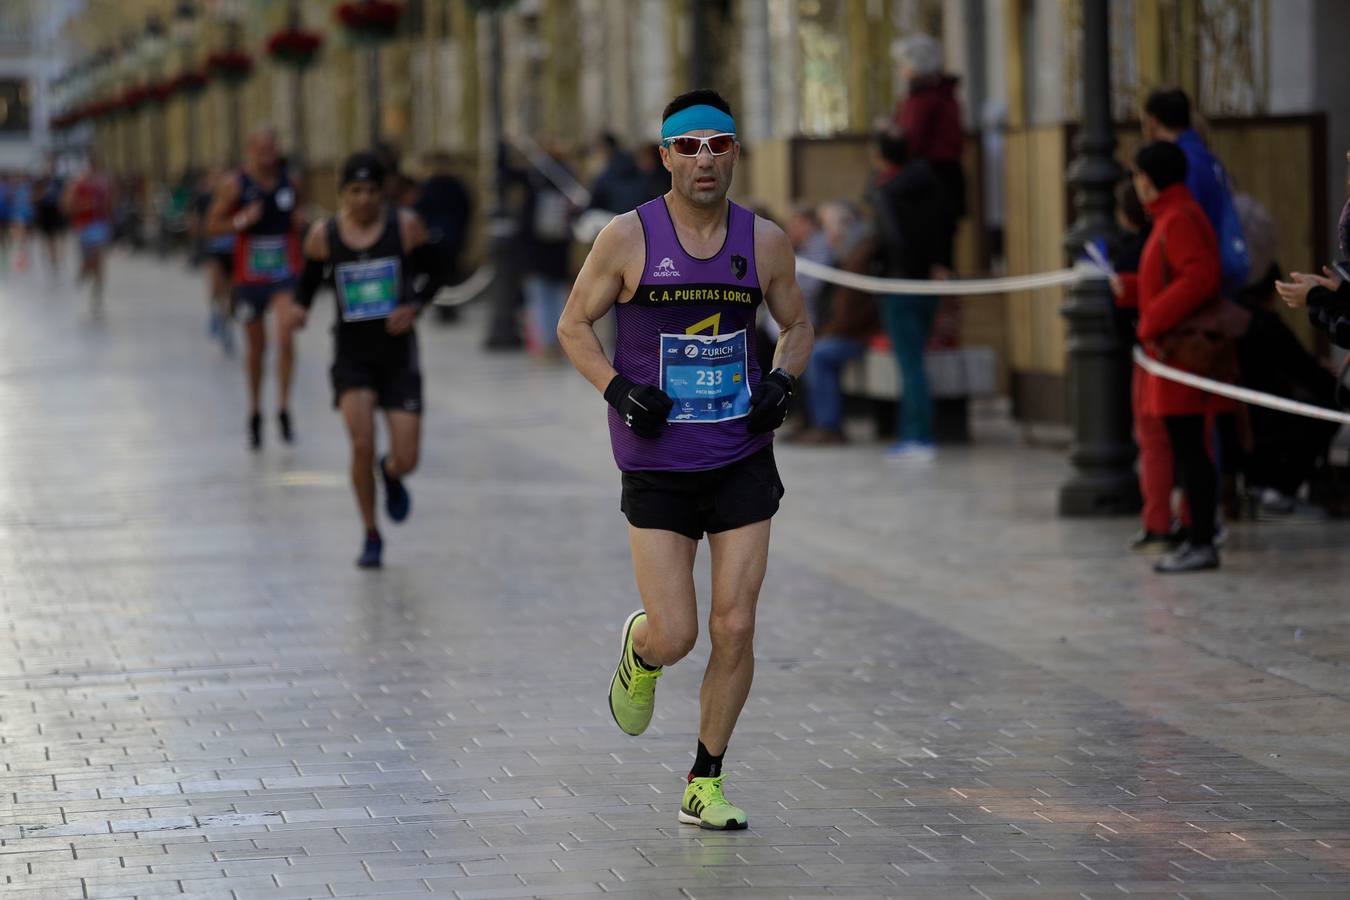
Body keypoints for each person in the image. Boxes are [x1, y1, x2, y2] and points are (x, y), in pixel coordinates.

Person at [556, 89, 813, 831]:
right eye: (689, 146)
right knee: (681, 634)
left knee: (735, 625)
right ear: (664, 156)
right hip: (658, 458)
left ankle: (705, 777)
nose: (705, 159)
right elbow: (575, 325)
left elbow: (796, 324)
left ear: (735, 153)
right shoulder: (627, 237)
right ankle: (641, 648)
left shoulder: (762, 241)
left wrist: (781, 382)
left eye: (720, 145)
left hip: (740, 453)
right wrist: (620, 389)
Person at [291, 154, 441, 570]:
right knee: (360, 442)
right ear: (343, 194)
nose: (363, 199)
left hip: (398, 356)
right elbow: (306, 286)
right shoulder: (324, 235)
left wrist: (413, 305)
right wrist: (298, 311)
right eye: (355, 191)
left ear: (383, 193)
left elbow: (437, 274)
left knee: (407, 457)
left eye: (371, 191)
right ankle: (370, 534)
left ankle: (390, 474)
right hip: (352, 356)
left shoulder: (405, 227)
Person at [1111, 141, 1227, 574]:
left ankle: (1201, 540)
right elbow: (1174, 277)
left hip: (1183, 356)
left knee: (1191, 450)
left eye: (1139, 175)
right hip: (1173, 354)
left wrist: (1150, 318)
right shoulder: (1171, 216)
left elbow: (1199, 278)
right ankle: (1195, 535)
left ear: (1150, 177)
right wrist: (1135, 290)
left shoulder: (1177, 217)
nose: (1137, 185)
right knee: (1186, 448)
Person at [207, 128, 304, 450]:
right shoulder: (236, 185)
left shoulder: (292, 182)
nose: (267, 153)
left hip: (284, 273)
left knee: (286, 337)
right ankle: (255, 410)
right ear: (250, 150)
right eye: (260, 147)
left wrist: (300, 224)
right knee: (257, 349)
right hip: (250, 277)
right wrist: (240, 221)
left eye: (272, 146)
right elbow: (212, 225)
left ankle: (284, 407)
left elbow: (297, 217)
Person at [866, 131, 953, 463]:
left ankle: (917, 435)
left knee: (910, 365)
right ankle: (914, 432)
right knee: (917, 362)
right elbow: (947, 228)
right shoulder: (932, 185)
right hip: (929, 282)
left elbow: (892, 240)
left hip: (899, 286)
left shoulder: (886, 192)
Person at [1141, 88, 1249, 291]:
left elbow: (1185, 223)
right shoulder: (1205, 156)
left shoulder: (1181, 162)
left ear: (1152, 122)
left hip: (1199, 275)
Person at [796, 202, 881, 445]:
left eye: (826, 227)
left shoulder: (858, 254)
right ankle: (811, 420)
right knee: (803, 346)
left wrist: (824, 333)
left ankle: (828, 426)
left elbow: (850, 314)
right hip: (847, 330)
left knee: (818, 354)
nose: (824, 235)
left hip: (860, 334)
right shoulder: (848, 252)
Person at [891, 33, 964, 268]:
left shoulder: (924, 99)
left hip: (930, 181)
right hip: (944, 176)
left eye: (902, 65)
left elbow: (911, 142)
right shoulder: (943, 93)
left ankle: (938, 303)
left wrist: (891, 135)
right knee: (941, 250)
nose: (900, 70)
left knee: (932, 254)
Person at [519, 146, 576, 357]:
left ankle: (547, 342)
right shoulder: (567, 181)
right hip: (559, 250)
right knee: (556, 295)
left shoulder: (535, 180)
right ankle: (559, 340)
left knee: (540, 296)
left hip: (536, 250)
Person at [412, 151, 473, 322]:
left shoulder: (432, 186)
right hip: (448, 236)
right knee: (445, 273)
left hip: (442, 236)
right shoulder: (446, 186)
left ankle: (446, 307)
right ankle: (446, 307)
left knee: (445, 273)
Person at [62, 153, 114, 315]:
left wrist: (111, 220)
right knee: (89, 261)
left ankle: (97, 294)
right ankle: (84, 271)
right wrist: (83, 206)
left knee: (99, 261)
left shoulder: (103, 183)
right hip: (84, 226)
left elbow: (109, 203)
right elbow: (67, 205)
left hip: (100, 225)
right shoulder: (78, 183)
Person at [196, 167, 236, 354]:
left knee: (229, 292)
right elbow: (203, 224)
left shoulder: (238, 203)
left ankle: (226, 325)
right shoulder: (208, 201)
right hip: (214, 251)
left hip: (232, 252)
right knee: (215, 287)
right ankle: (214, 312)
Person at [33, 158, 66, 280]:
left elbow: (63, 195)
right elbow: (34, 197)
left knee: (56, 236)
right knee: (47, 238)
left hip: (55, 210)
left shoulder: (58, 181)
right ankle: (50, 259)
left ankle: (56, 259)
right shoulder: (40, 181)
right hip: (45, 211)